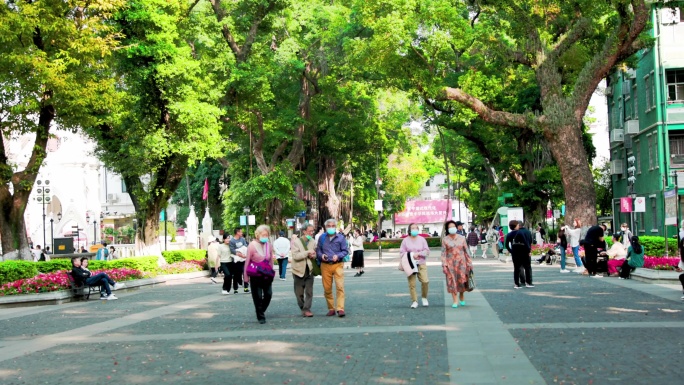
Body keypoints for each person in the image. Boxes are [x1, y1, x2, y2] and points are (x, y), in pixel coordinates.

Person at [316, 218, 349, 317]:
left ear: (335, 227)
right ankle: (331, 308)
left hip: (338, 265)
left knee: (340, 287)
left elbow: (345, 251)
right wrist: (321, 255)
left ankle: (340, 308)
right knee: (327, 288)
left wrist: (338, 256)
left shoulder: (341, 238)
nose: (331, 228)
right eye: (329, 226)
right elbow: (318, 250)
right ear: (326, 227)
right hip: (325, 265)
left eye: (333, 226)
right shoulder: (322, 237)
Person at [244, 224, 275, 324]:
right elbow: (247, 261)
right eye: (263, 235)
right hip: (255, 275)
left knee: (268, 294)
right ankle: (260, 316)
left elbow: (271, 260)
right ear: (258, 235)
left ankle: (260, 310)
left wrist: (272, 272)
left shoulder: (269, 245)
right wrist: (245, 277)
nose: (265, 237)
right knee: (257, 296)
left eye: (267, 235)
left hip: (266, 274)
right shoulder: (252, 245)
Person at [441, 220, 473, 307]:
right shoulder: (445, 239)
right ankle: (455, 300)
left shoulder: (462, 238)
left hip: (462, 263)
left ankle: (461, 295)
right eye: (450, 227)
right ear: (447, 229)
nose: (452, 228)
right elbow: (443, 253)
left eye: (453, 226)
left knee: (462, 280)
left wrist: (469, 263)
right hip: (450, 264)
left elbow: (467, 251)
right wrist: (444, 265)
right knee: (452, 281)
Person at [401, 223, 431, 308]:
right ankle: (414, 301)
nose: (414, 229)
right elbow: (402, 253)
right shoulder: (405, 240)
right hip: (410, 264)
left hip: (421, 263)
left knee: (425, 281)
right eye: (412, 228)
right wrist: (411, 255)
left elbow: (427, 251)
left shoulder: (422, 240)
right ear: (409, 230)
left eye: (416, 228)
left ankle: (424, 297)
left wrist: (419, 254)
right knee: (412, 284)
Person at [290, 224, 316, 317]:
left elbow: (315, 253)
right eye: (310, 231)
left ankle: (307, 309)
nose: (311, 233)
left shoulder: (313, 241)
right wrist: (307, 252)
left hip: (309, 270)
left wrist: (314, 255)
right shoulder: (296, 242)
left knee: (309, 292)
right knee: (299, 293)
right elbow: (295, 256)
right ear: (304, 231)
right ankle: (302, 307)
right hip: (298, 270)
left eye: (313, 231)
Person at [505, 220, 534, 289]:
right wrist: (529, 251)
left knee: (516, 268)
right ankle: (528, 282)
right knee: (527, 267)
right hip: (523, 252)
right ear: (516, 226)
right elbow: (526, 243)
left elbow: (506, 245)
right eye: (517, 225)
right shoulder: (520, 233)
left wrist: (511, 251)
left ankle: (517, 284)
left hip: (515, 253)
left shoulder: (509, 234)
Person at [229, 228, 250, 293]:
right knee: (236, 274)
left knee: (245, 273)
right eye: (241, 232)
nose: (242, 233)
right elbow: (232, 250)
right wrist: (239, 254)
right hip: (236, 260)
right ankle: (235, 288)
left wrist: (244, 254)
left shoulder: (242, 239)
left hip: (243, 260)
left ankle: (246, 287)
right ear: (237, 232)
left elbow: (245, 246)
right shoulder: (232, 241)